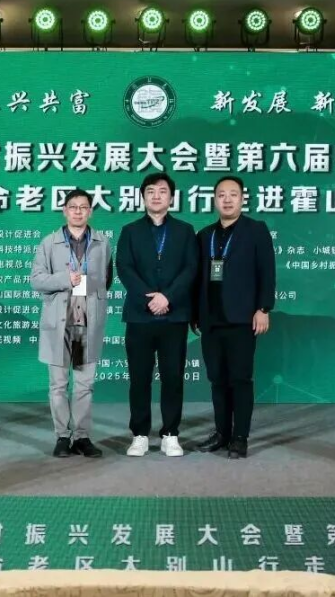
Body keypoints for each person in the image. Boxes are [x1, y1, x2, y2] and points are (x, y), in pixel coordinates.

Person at [116, 172, 198, 457]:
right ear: (143, 197)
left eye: (162, 191)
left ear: (171, 197)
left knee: (173, 378)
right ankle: (139, 434)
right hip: (140, 316)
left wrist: (168, 297)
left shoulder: (185, 231)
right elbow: (124, 268)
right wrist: (149, 298)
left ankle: (170, 434)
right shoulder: (130, 231)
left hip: (174, 317)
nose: (156, 196)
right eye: (150, 191)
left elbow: (191, 268)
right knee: (139, 378)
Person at [193, 176, 276, 459]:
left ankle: (240, 437)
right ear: (214, 200)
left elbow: (267, 271)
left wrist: (263, 308)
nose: (227, 199)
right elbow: (198, 278)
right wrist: (196, 314)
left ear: (242, 198)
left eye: (233, 194)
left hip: (243, 318)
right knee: (217, 379)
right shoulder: (205, 235)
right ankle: (221, 433)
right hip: (211, 319)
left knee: (240, 379)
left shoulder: (256, 230)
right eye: (221, 195)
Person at [31, 189, 113, 458]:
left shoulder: (102, 243)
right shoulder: (49, 243)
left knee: (84, 384)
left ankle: (82, 436)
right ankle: (62, 436)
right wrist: (65, 280)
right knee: (58, 384)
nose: (78, 211)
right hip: (59, 324)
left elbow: (107, 279)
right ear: (64, 211)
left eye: (83, 207)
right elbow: (37, 280)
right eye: (73, 207)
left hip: (86, 324)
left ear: (91, 211)